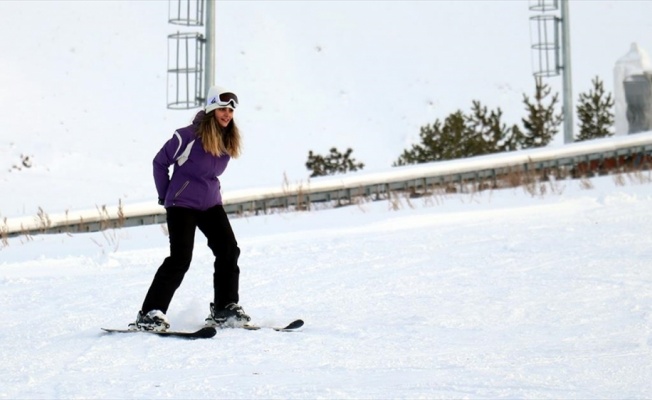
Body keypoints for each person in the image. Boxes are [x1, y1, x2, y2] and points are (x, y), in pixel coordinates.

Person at [128, 85, 251, 332]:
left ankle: (224, 308)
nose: (227, 114)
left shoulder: (227, 138)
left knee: (228, 250)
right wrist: (166, 195)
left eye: (230, 110)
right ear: (211, 110)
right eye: (222, 109)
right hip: (182, 204)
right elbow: (159, 162)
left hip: (210, 204)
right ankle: (150, 313)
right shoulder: (187, 136)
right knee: (180, 259)